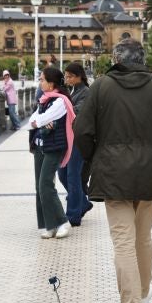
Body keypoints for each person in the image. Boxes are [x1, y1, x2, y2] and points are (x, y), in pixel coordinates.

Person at [73, 39, 152, 303]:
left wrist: (94, 156)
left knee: (123, 241)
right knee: (143, 237)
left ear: (117, 59)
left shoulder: (101, 86)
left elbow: (82, 130)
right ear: (142, 59)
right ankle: (142, 293)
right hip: (150, 171)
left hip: (114, 173)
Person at [29, 66, 75, 239]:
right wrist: (39, 122)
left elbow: (40, 120)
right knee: (39, 187)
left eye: (42, 79)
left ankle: (63, 221)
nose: (40, 82)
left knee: (45, 185)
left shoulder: (60, 101)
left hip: (54, 147)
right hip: (40, 146)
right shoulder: (44, 100)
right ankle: (50, 225)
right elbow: (32, 121)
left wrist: (40, 121)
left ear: (51, 83)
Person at [57, 62, 93, 226]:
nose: (67, 79)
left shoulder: (86, 92)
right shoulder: (70, 90)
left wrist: (60, 106)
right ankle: (83, 203)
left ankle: (73, 215)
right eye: (66, 76)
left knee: (72, 176)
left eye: (70, 76)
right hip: (67, 138)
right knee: (63, 174)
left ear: (79, 76)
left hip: (78, 139)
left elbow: (76, 112)